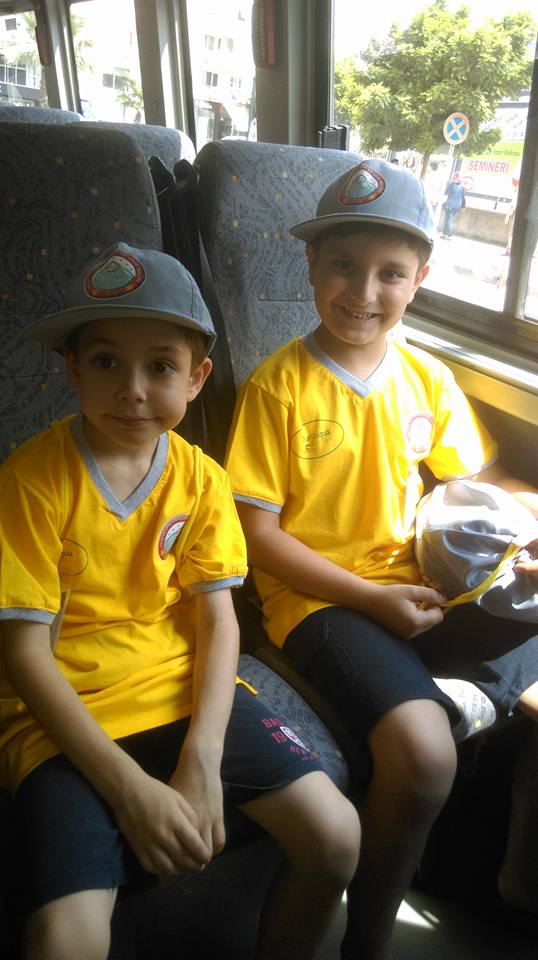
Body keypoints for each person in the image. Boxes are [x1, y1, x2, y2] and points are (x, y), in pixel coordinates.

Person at [0, 243, 360, 960]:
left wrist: (202, 755)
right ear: (73, 369)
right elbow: (23, 654)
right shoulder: (30, 481)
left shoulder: (201, 479)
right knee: (63, 939)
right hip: (59, 716)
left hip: (176, 686)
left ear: (196, 378)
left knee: (337, 837)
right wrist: (130, 790)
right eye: (106, 362)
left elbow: (217, 619)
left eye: (160, 367)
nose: (133, 390)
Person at [224, 159, 538, 959]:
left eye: (390, 274)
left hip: (417, 581)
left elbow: (478, 478)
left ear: (420, 279)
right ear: (310, 265)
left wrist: (522, 525)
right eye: (342, 266)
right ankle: (367, 938)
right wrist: (370, 601)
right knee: (425, 757)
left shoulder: (425, 376)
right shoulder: (278, 387)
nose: (363, 292)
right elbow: (258, 535)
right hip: (320, 601)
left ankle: (452, 714)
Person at [440, 169, 466, 238]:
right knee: (449, 219)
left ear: (455, 177)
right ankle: (444, 234)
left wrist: (448, 186)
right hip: (457, 206)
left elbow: (446, 193)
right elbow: (463, 197)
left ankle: (449, 234)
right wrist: (463, 206)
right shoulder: (462, 187)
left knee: (448, 220)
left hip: (450, 205)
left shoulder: (452, 184)